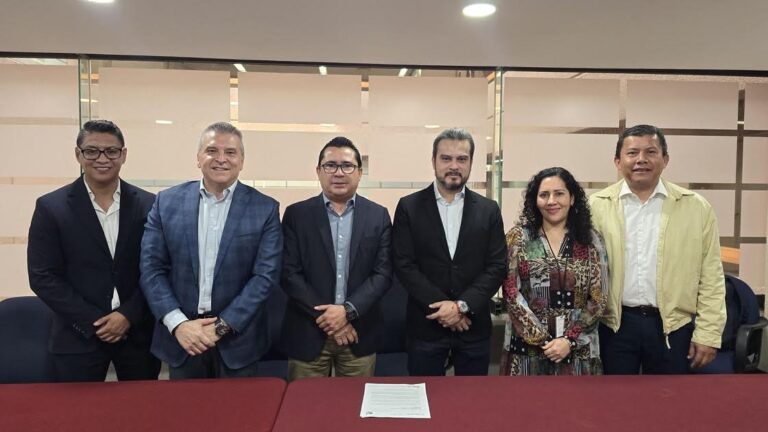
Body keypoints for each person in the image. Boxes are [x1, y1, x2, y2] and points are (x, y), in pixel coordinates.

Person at [140, 121, 282, 379]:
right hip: (183, 339)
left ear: (242, 160)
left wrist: (221, 327)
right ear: (198, 158)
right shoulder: (166, 202)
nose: (221, 159)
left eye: (230, 152)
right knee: (185, 407)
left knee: (241, 407)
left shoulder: (265, 208)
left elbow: (264, 277)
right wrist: (178, 324)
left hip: (237, 340)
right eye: (212, 151)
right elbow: (151, 269)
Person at [27, 120, 160, 382]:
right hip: (77, 336)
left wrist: (128, 315)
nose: (102, 159)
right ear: (78, 154)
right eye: (91, 151)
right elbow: (43, 276)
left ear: (123, 154)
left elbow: (157, 268)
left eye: (111, 151)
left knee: (142, 407)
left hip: (138, 335)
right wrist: (94, 321)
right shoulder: (51, 207)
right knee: (78, 409)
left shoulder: (149, 205)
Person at [590, 124, 726, 374]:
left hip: (673, 327)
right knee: (614, 396)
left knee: (669, 397)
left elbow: (711, 276)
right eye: (632, 153)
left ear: (665, 160)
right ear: (617, 161)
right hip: (613, 325)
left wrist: (709, 333)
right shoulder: (595, 207)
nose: (641, 159)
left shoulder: (696, 207)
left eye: (651, 152)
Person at [392, 128, 506, 376]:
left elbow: (497, 266)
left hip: (473, 327)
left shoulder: (489, 210)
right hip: (426, 327)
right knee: (425, 396)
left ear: (471, 162)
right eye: (446, 158)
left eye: (462, 159)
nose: (454, 166)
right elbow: (404, 265)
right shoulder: (409, 207)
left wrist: (462, 306)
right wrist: (445, 309)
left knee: (473, 398)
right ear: (433, 161)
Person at [280, 137, 392, 381]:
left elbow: (383, 274)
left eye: (347, 166)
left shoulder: (378, 216)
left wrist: (348, 312)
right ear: (318, 171)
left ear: (360, 172)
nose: (339, 173)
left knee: (354, 403)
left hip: (359, 333)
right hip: (308, 331)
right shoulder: (297, 215)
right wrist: (331, 319)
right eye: (330, 165)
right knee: (306, 403)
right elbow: (289, 273)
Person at [499, 167, 608, 376]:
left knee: (576, 399)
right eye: (544, 195)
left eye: (559, 194)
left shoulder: (590, 240)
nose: (551, 201)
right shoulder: (519, 238)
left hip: (577, 350)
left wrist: (569, 339)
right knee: (524, 398)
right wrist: (543, 339)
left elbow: (598, 298)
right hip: (526, 351)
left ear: (572, 198)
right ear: (535, 200)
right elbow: (511, 293)